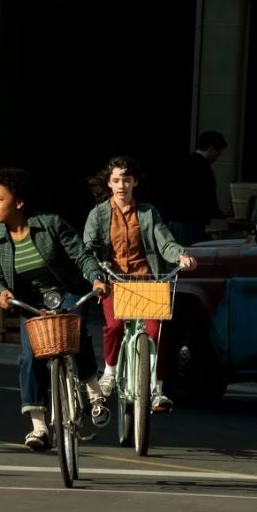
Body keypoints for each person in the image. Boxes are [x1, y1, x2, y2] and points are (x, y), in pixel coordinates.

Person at [0, 168, 110, 451]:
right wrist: (1, 293)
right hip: (30, 304)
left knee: (76, 333)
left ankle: (93, 392)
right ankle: (39, 426)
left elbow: (81, 255)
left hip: (65, 294)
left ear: (19, 202)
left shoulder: (50, 224)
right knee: (30, 358)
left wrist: (96, 278)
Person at [83, 156, 197, 413]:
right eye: (116, 180)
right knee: (114, 326)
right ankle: (110, 371)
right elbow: (88, 248)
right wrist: (96, 272)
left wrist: (181, 256)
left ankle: (156, 390)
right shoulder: (99, 214)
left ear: (135, 182)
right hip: (114, 282)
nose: (121, 185)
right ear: (109, 183)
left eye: (126, 180)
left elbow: (165, 242)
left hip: (146, 282)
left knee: (156, 332)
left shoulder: (147, 212)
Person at [167, 130, 228, 247]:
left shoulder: (182, 162)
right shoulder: (204, 168)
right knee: (191, 253)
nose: (217, 158)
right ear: (211, 149)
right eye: (218, 153)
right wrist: (219, 213)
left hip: (175, 220)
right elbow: (207, 197)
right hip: (191, 222)